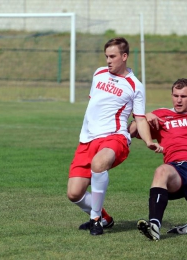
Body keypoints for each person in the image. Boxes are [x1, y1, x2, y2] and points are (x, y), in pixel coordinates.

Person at [67, 37, 162, 236]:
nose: (108, 60)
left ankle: (95, 220)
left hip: (114, 137)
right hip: (87, 139)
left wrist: (148, 141)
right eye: (106, 56)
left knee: (99, 163)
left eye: (113, 56)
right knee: (74, 193)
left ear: (124, 56)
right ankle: (105, 219)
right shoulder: (99, 73)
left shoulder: (135, 85)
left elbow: (140, 118)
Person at [129, 78, 187, 241]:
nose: (179, 100)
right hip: (177, 170)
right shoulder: (162, 115)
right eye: (175, 96)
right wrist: (144, 117)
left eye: (183, 96)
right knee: (161, 170)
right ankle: (154, 226)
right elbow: (131, 131)